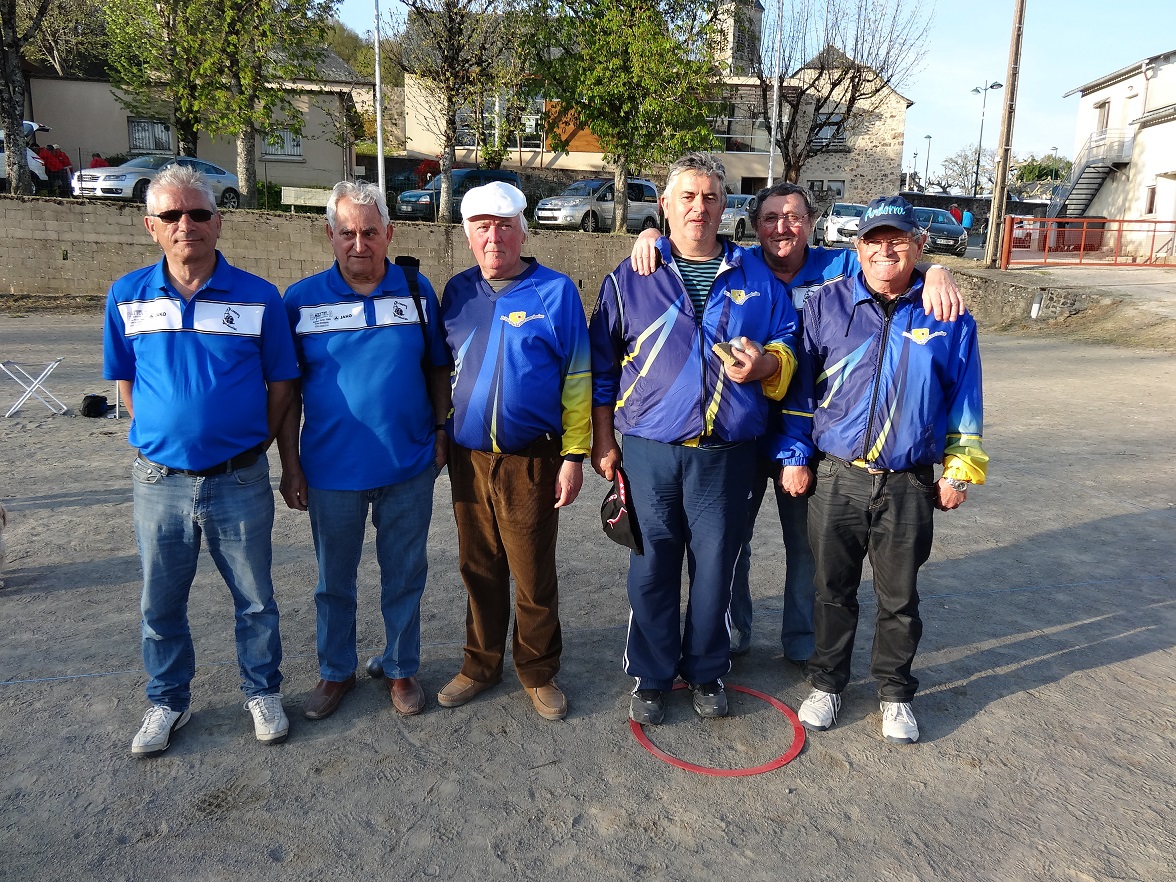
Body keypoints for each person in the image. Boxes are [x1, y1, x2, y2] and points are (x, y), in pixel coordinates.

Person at [629, 182, 966, 668]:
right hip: (741, 433)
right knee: (730, 544)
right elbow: (684, 244)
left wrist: (937, 270)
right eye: (769, 217)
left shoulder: (838, 266)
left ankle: (804, 640)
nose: (781, 227)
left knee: (806, 545)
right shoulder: (740, 264)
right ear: (754, 226)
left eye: (792, 216)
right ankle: (734, 631)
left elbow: (890, 257)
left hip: (809, 437)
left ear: (811, 222)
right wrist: (649, 235)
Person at [590, 152, 799, 725]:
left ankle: (707, 672)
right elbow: (602, 368)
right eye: (687, 196)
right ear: (664, 204)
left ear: (725, 204)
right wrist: (603, 441)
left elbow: (790, 343)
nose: (699, 208)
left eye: (710, 197)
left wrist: (765, 365)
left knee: (716, 570)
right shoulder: (632, 275)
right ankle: (653, 676)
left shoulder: (757, 276)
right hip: (650, 450)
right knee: (651, 567)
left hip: (730, 454)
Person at [104, 165, 299, 756]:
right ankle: (166, 701)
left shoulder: (261, 296)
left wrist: (254, 447)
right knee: (160, 602)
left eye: (198, 213)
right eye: (171, 216)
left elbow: (283, 386)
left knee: (256, 599)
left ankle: (262, 691)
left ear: (219, 222)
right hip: (158, 481)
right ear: (151, 227)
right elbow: (127, 385)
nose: (186, 224)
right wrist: (164, 435)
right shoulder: (127, 295)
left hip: (239, 478)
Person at [783, 195, 987, 744]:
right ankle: (827, 683)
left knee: (899, 598)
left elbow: (965, 397)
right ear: (858, 249)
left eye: (898, 239)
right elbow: (801, 392)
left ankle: (895, 692)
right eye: (874, 241)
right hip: (836, 476)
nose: (885, 250)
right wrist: (795, 456)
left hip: (908, 483)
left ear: (919, 246)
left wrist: (958, 469)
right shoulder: (827, 306)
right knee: (831, 589)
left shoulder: (947, 314)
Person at [277, 181, 449, 721]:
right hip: (331, 469)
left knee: (405, 573)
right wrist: (289, 464)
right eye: (347, 232)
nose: (359, 243)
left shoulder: (418, 291)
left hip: (408, 464)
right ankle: (336, 672)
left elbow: (439, 366)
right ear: (329, 234)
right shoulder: (300, 300)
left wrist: (441, 432)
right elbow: (287, 390)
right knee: (335, 581)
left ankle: (401, 668)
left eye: (370, 232)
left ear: (389, 234)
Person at [437, 181, 591, 722]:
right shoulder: (455, 292)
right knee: (478, 567)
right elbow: (441, 371)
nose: (493, 236)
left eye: (504, 224)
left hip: (534, 459)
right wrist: (439, 431)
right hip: (468, 460)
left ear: (523, 229)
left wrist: (574, 456)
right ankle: (480, 664)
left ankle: (538, 670)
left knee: (531, 572)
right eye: (482, 226)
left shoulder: (556, 291)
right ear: (468, 235)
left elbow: (577, 378)